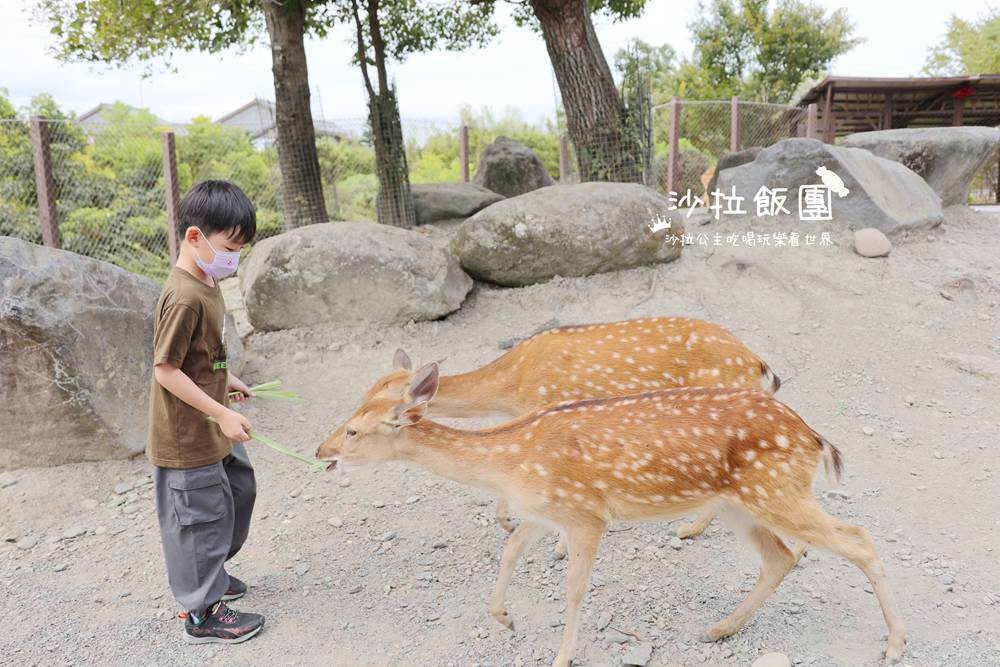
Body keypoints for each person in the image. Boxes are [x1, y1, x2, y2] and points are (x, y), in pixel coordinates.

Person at [146, 179, 264, 644]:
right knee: (198, 518)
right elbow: (166, 370)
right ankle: (202, 611)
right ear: (195, 237)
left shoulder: (207, 280)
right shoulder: (183, 295)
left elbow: (203, 353)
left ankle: (209, 572)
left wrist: (225, 377)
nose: (233, 257)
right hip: (185, 435)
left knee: (238, 492)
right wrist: (220, 413)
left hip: (210, 421)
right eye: (229, 247)